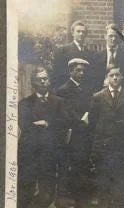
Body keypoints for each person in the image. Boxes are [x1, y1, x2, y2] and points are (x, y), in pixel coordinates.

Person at [18, 66, 69, 208]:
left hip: (50, 153)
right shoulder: (25, 103)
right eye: (39, 79)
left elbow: (64, 122)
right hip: (30, 153)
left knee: (47, 191)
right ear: (33, 83)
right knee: (25, 190)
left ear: (49, 81)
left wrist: (48, 123)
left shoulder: (59, 102)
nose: (42, 81)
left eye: (45, 78)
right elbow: (24, 124)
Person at [88, 66, 124, 207]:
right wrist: (95, 149)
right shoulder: (97, 97)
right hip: (103, 149)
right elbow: (93, 124)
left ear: (122, 77)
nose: (115, 77)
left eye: (118, 75)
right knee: (103, 186)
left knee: (120, 186)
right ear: (107, 78)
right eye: (111, 75)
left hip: (122, 149)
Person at [55, 58, 92, 208]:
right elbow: (66, 112)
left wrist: (88, 116)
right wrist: (81, 121)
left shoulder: (86, 88)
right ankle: (65, 199)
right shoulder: (63, 90)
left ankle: (80, 199)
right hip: (70, 134)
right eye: (78, 70)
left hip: (84, 135)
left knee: (81, 165)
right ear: (71, 71)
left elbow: (90, 107)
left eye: (83, 70)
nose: (81, 73)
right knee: (68, 166)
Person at [52, 20, 92, 90]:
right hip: (67, 89)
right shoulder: (63, 50)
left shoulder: (89, 52)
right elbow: (58, 72)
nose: (81, 34)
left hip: (84, 90)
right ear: (72, 33)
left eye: (83, 32)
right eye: (78, 31)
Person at [92, 23, 124, 91]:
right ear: (105, 36)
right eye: (110, 36)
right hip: (101, 90)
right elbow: (94, 77)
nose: (113, 39)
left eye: (116, 36)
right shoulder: (97, 56)